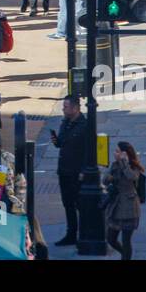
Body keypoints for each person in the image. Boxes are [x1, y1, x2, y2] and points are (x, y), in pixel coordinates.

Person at [48, 95, 89, 248]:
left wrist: (84, 170)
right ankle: (71, 234)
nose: (63, 109)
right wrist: (56, 140)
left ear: (75, 108)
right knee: (68, 204)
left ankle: (83, 235)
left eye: (65, 107)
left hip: (77, 173)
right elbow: (61, 143)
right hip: (64, 171)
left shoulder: (84, 126)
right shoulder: (65, 123)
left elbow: (89, 150)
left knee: (80, 204)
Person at [104, 141, 144, 260]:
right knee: (111, 238)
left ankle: (126, 257)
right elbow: (105, 180)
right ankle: (125, 255)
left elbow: (132, 177)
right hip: (116, 206)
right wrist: (108, 177)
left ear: (124, 153)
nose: (115, 153)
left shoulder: (134, 165)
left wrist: (123, 162)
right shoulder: (115, 164)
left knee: (126, 240)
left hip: (129, 207)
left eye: (117, 151)